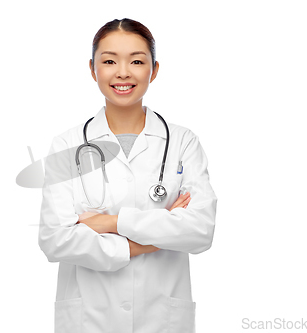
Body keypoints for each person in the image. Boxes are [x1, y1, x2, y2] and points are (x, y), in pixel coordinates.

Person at [38, 18, 217, 333]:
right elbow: (56, 240)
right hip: (89, 318)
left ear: (154, 70)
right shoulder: (67, 145)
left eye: (137, 61)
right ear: (93, 70)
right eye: (109, 61)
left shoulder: (182, 142)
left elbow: (200, 231)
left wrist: (109, 223)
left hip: (162, 318)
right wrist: (154, 239)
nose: (123, 72)